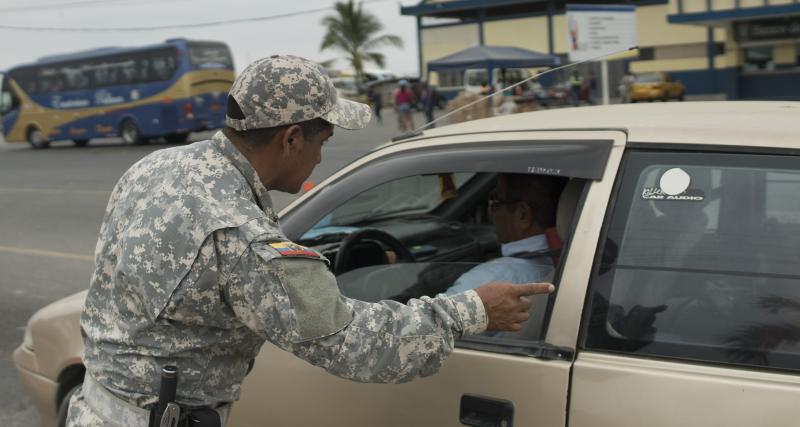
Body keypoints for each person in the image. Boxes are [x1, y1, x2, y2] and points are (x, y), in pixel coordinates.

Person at [66, 55, 554, 427]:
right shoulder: (245, 239)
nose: (322, 158)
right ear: (292, 138)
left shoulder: (156, 168)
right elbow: (352, 344)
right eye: (323, 141)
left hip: (93, 409)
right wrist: (472, 310)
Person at [446, 174, 567, 295]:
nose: (490, 211)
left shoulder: (486, 280)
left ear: (522, 214)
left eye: (495, 202)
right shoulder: (570, 264)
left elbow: (434, 313)